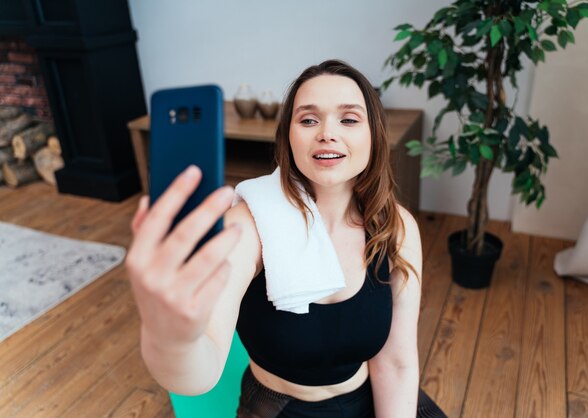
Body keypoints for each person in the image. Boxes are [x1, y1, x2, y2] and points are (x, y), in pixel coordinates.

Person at [125, 60, 447, 417]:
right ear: (288, 136)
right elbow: (198, 374)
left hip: (373, 396)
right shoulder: (248, 226)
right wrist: (171, 337)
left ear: (374, 135)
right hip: (280, 408)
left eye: (349, 119)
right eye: (308, 120)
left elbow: (397, 365)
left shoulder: (395, 227)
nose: (327, 132)